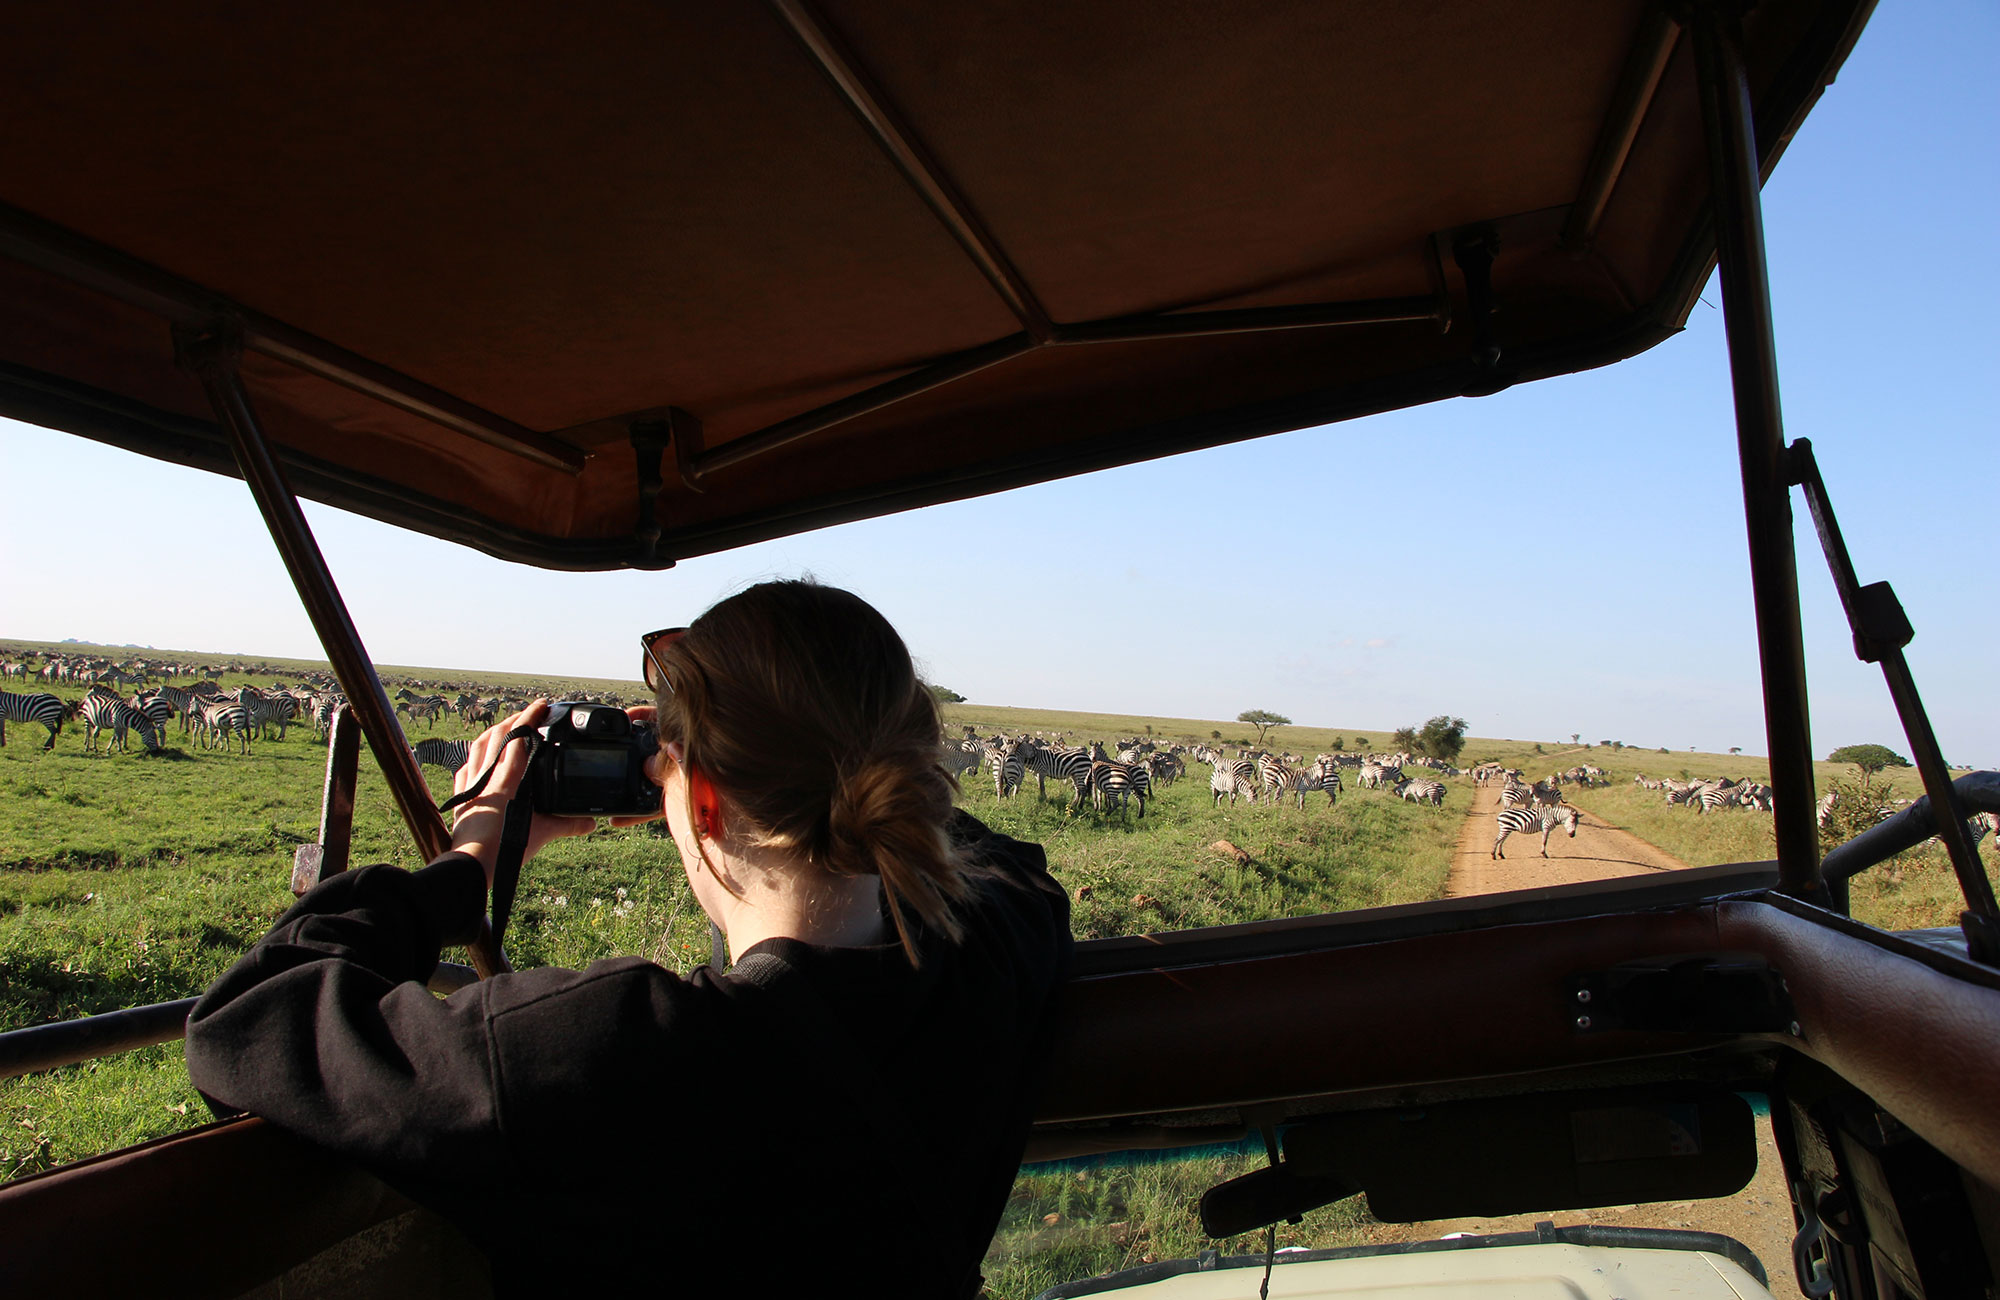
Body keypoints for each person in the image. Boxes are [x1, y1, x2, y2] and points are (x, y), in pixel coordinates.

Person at [184, 580, 1071, 1297]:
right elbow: (1010, 866)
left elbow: (246, 1022)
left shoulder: (598, 1048)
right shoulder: (993, 958)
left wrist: (471, 857)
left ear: (707, 803)